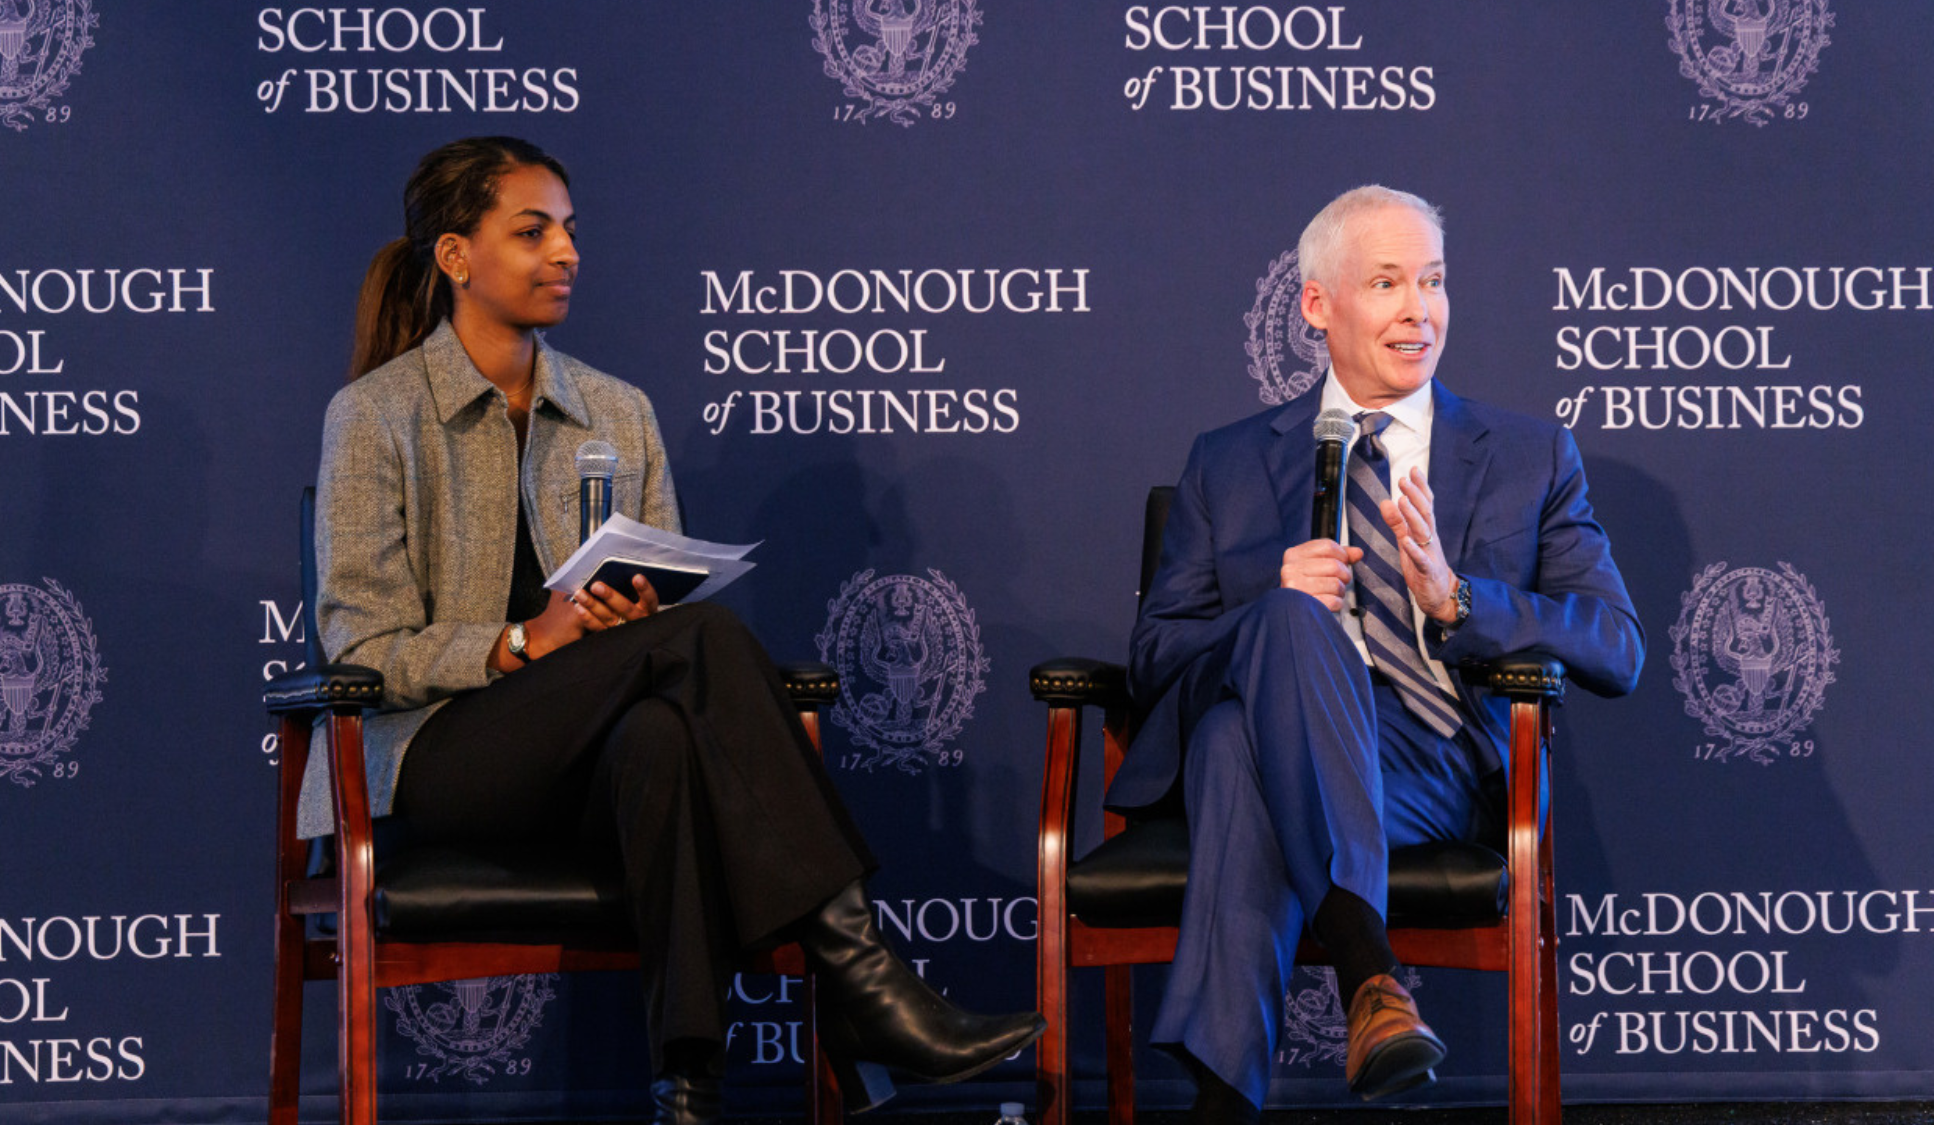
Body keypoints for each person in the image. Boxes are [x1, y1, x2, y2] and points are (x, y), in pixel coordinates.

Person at [295, 136, 1042, 1123]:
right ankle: (864, 981)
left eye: (568, 230)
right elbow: (361, 651)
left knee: (661, 726)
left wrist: (629, 620)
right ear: (454, 257)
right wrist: (528, 642)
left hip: (593, 754)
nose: (564, 252)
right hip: (436, 761)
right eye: (531, 232)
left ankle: (687, 1088)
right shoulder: (375, 416)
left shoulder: (618, 410)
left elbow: (665, 619)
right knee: (707, 647)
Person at [1108, 186, 1643, 1118]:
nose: (1419, 310)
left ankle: (1224, 1100)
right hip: (1267, 732)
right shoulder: (1226, 462)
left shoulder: (1529, 455)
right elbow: (1155, 656)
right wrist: (1270, 606)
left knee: (1242, 755)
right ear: (1317, 304)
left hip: (1434, 764)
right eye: (1387, 282)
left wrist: (1458, 599)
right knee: (1267, 664)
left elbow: (1617, 647)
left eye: (1433, 282)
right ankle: (1374, 979)